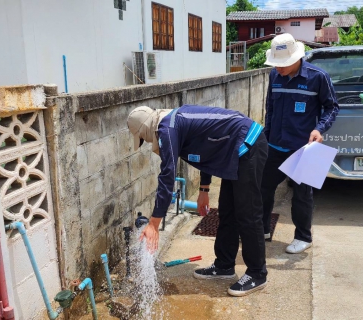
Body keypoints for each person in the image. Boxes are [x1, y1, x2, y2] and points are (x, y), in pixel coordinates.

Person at [127, 104, 268, 297]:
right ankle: (224, 266)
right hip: (231, 150)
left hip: (247, 144)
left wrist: (154, 223)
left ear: (144, 129)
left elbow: (167, 177)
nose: (146, 141)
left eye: (143, 138)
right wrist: (204, 188)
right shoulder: (172, 123)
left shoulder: (167, 130)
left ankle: (257, 273)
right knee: (228, 212)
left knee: (247, 213)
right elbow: (207, 150)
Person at [261, 33, 340, 254]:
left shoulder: (317, 77)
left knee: (302, 194)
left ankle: (303, 237)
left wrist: (319, 129)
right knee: (263, 188)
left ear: (297, 58)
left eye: (283, 64)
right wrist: (266, 138)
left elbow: (332, 107)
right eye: (276, 64)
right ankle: (263, 229)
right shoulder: (273, 77)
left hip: (303, 148)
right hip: (275, 145)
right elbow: (271, 109)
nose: (279, 68)